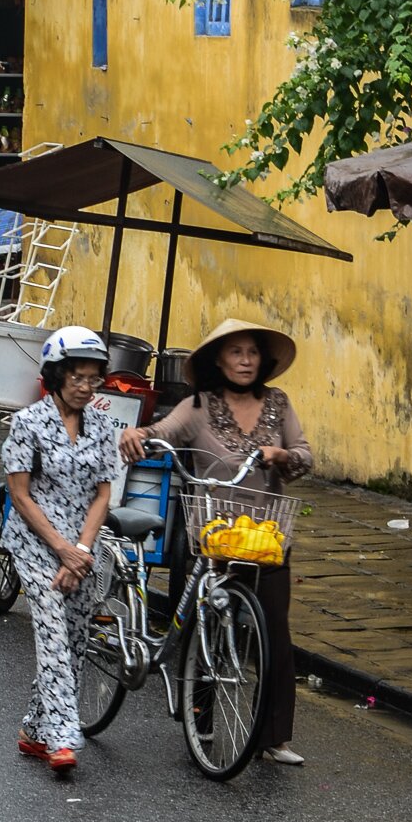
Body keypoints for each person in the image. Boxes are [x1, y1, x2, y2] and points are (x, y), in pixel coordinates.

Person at [120, 317, 311, 765]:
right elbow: (161, 433)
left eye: (252, 353)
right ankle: (199, 718)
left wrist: (283, 455)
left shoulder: (279, 405)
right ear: (218, 360)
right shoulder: (200, 405)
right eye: (235, 352)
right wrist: (137, 434)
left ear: (263, 361)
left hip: (265, 538)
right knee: (203, 628)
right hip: (212, 535)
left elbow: (304, 455)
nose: (245, 361)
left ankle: (273, 738)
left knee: (274, 638)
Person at [1, 326, 117, 772]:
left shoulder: (104, 426)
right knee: (50, 630)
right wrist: (60, 550)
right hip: (35, 541)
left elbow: (103, 495)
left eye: (94, 378)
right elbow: (21, 495)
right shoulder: (27, 423)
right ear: (56, 375)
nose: (87, 387)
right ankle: (63, 738)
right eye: (78, 378)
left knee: (73, 637)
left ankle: (33, 730)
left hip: (83, 545)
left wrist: (82, 551)